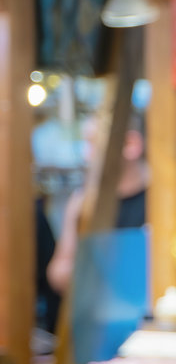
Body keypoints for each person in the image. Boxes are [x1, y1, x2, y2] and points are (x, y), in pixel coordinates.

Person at [47, 109, 149, 298]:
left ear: (131, 144)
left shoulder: (161, 201)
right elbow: (57, 272)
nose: (86, 156)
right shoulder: (83, 202)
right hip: (99, 321)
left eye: (93, 144)